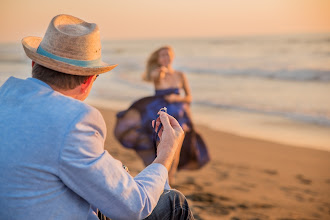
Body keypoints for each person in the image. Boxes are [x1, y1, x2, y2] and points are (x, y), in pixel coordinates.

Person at [0, 14, 194, 220]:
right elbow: (135, 207)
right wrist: (165, 154)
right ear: (88, 81)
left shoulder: (6, 96)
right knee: (174, 202)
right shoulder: (75, 119)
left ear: (33, 64)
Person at [114, 46, 210, 185]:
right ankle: (160, 180)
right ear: (158, 59)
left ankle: (169, 181)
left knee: (175, 151)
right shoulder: (157, 73)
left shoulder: (180, 75)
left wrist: (176, 99)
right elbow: (157, 77)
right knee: (163, 148)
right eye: (162, 55)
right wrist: (161, 72)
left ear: (173, 56)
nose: (165, 57)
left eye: (167, 54)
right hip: (160, 114)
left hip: (179, 116)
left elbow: (188, 97)